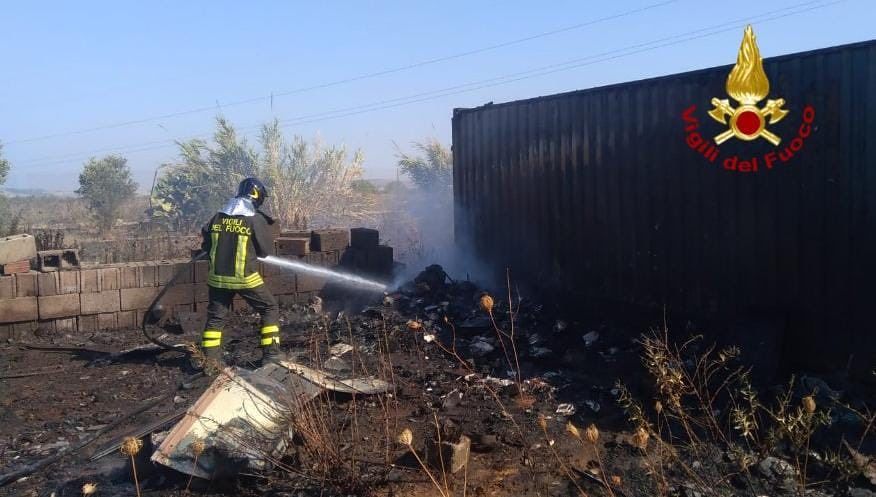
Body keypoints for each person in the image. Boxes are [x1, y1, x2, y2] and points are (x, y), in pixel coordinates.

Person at [200, 177, 281, 366]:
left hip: (218, 279)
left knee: (215, 319)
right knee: (269, 307)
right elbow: (266, 251)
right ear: (256, 195)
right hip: (245, 278)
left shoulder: (218, 216)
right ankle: (271, 355)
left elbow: (206, 243)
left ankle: (210, 362)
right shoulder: (255, 218)